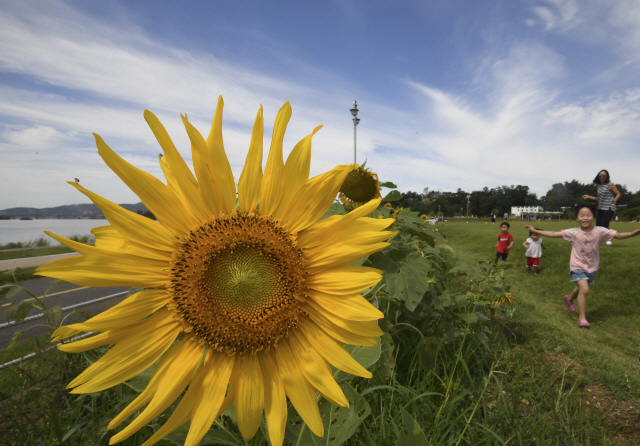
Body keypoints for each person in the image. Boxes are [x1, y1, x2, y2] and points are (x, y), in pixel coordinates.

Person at [525, 204, 640, 328]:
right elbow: (554, 233)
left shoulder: (600, 231)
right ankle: (582, 319)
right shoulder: (573, 232)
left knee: (581, 289)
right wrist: (536, 231)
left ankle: (569, 299)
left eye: (588, 215)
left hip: (592, 265)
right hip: (577, 264)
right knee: (585, 290)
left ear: (594, 217)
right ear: (577, 218)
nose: (585, 218)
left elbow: (617, 235)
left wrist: (632, 234)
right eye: (582, 215)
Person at [582, 169, 621, 246]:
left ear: (607, 176)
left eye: (604, 175)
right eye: (600, 175)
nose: (602, 177)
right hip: (601, 207)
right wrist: (588, 196)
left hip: (609, 207)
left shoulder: (610, 184)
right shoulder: (599, 186)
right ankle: (600, 240)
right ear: (598, 176)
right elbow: (598, 198)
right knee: (598, 225)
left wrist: (615, 199)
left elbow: (618, 194)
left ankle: (609, 239)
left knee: (604, 224)